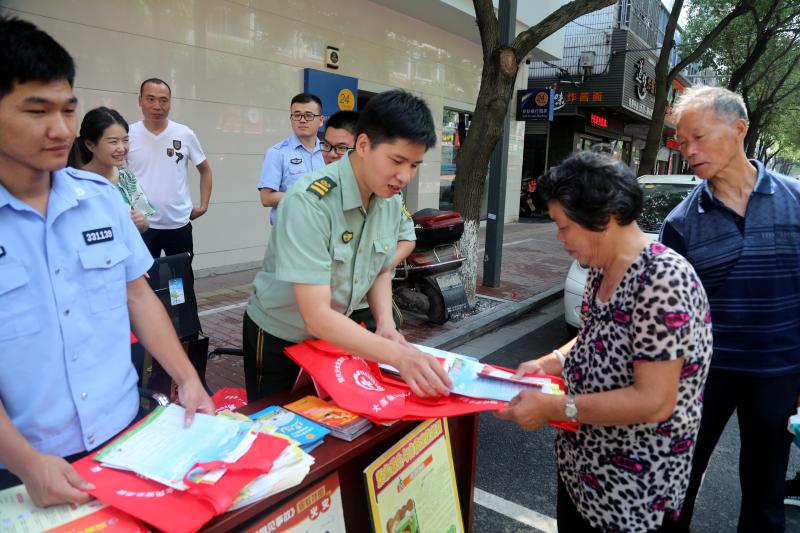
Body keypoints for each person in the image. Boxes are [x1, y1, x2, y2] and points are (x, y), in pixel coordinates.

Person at [0, 16, 214, 506]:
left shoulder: (100, 200)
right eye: (37, 111)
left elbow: (138, 295)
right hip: (22, 466)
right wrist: (27, 463)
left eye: (68, 110)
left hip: (124, 435)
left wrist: (187, 380)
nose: (61, 130)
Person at [495, 151, 713, 533]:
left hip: (634, 493)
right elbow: (593, 336)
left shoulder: (663, 281)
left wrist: (554, 408)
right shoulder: (601, 267)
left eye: (564, 227)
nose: (560, 239)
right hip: (585, 473)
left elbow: (654, 401)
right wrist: (551, 361)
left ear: (604, 218)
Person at [243, 90, 452, 402]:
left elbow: (379, 265)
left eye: (415, 165)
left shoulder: (389, 200)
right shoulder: (310, 202)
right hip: (281, 335)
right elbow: (315, 314)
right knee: (278, 428)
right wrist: (399, 356)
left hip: (337, 333)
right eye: (397, 161)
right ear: (364, 145)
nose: (405, 176)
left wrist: (385, 325)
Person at [660, 85, 800, 533]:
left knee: (765, 493)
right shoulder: (680, 222)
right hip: (703, 376)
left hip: (779, 370)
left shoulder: (796, 199)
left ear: (739, 130)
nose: (689, 151)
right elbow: (668, 314)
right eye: (682, 142)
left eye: (698, 137)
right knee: (676, 483)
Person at [322, 110, 415, 330]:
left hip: (367, 302)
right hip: (326, 310)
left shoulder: (388, 195)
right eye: (327, 145)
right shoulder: (317, 196)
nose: (333, 154)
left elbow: (407, 239)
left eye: (342, 148)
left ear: (363, 147)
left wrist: (377, 267)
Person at [127, 78, 212, 259]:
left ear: (170, 103)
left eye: (163, 100)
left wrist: (203, 206)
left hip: (178, 225)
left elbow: (205, 170)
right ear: (140, 101)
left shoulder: (184, 134)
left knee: (179, 282)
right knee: (147, 281)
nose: (157, 106)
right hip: (143, 226)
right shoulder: (127, 134)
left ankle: (176, 289)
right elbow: (116, 174)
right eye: (150, 99)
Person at [68, 106, 155, 233]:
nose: (121, 148)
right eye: (113, 142)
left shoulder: (125, 175)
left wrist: (142, 222)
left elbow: (144, 222)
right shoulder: (75, 181)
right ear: (90, 145)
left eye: (125, 140)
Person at [258, 93, 325, 224]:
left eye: (309, 115)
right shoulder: (277, 153)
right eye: (297, 115)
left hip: (323, 230)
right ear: (291, 119)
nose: (302, 120)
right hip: (290, 233)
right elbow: (266, 198)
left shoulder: (328, 152)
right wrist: (307, 196)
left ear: (321, 120)